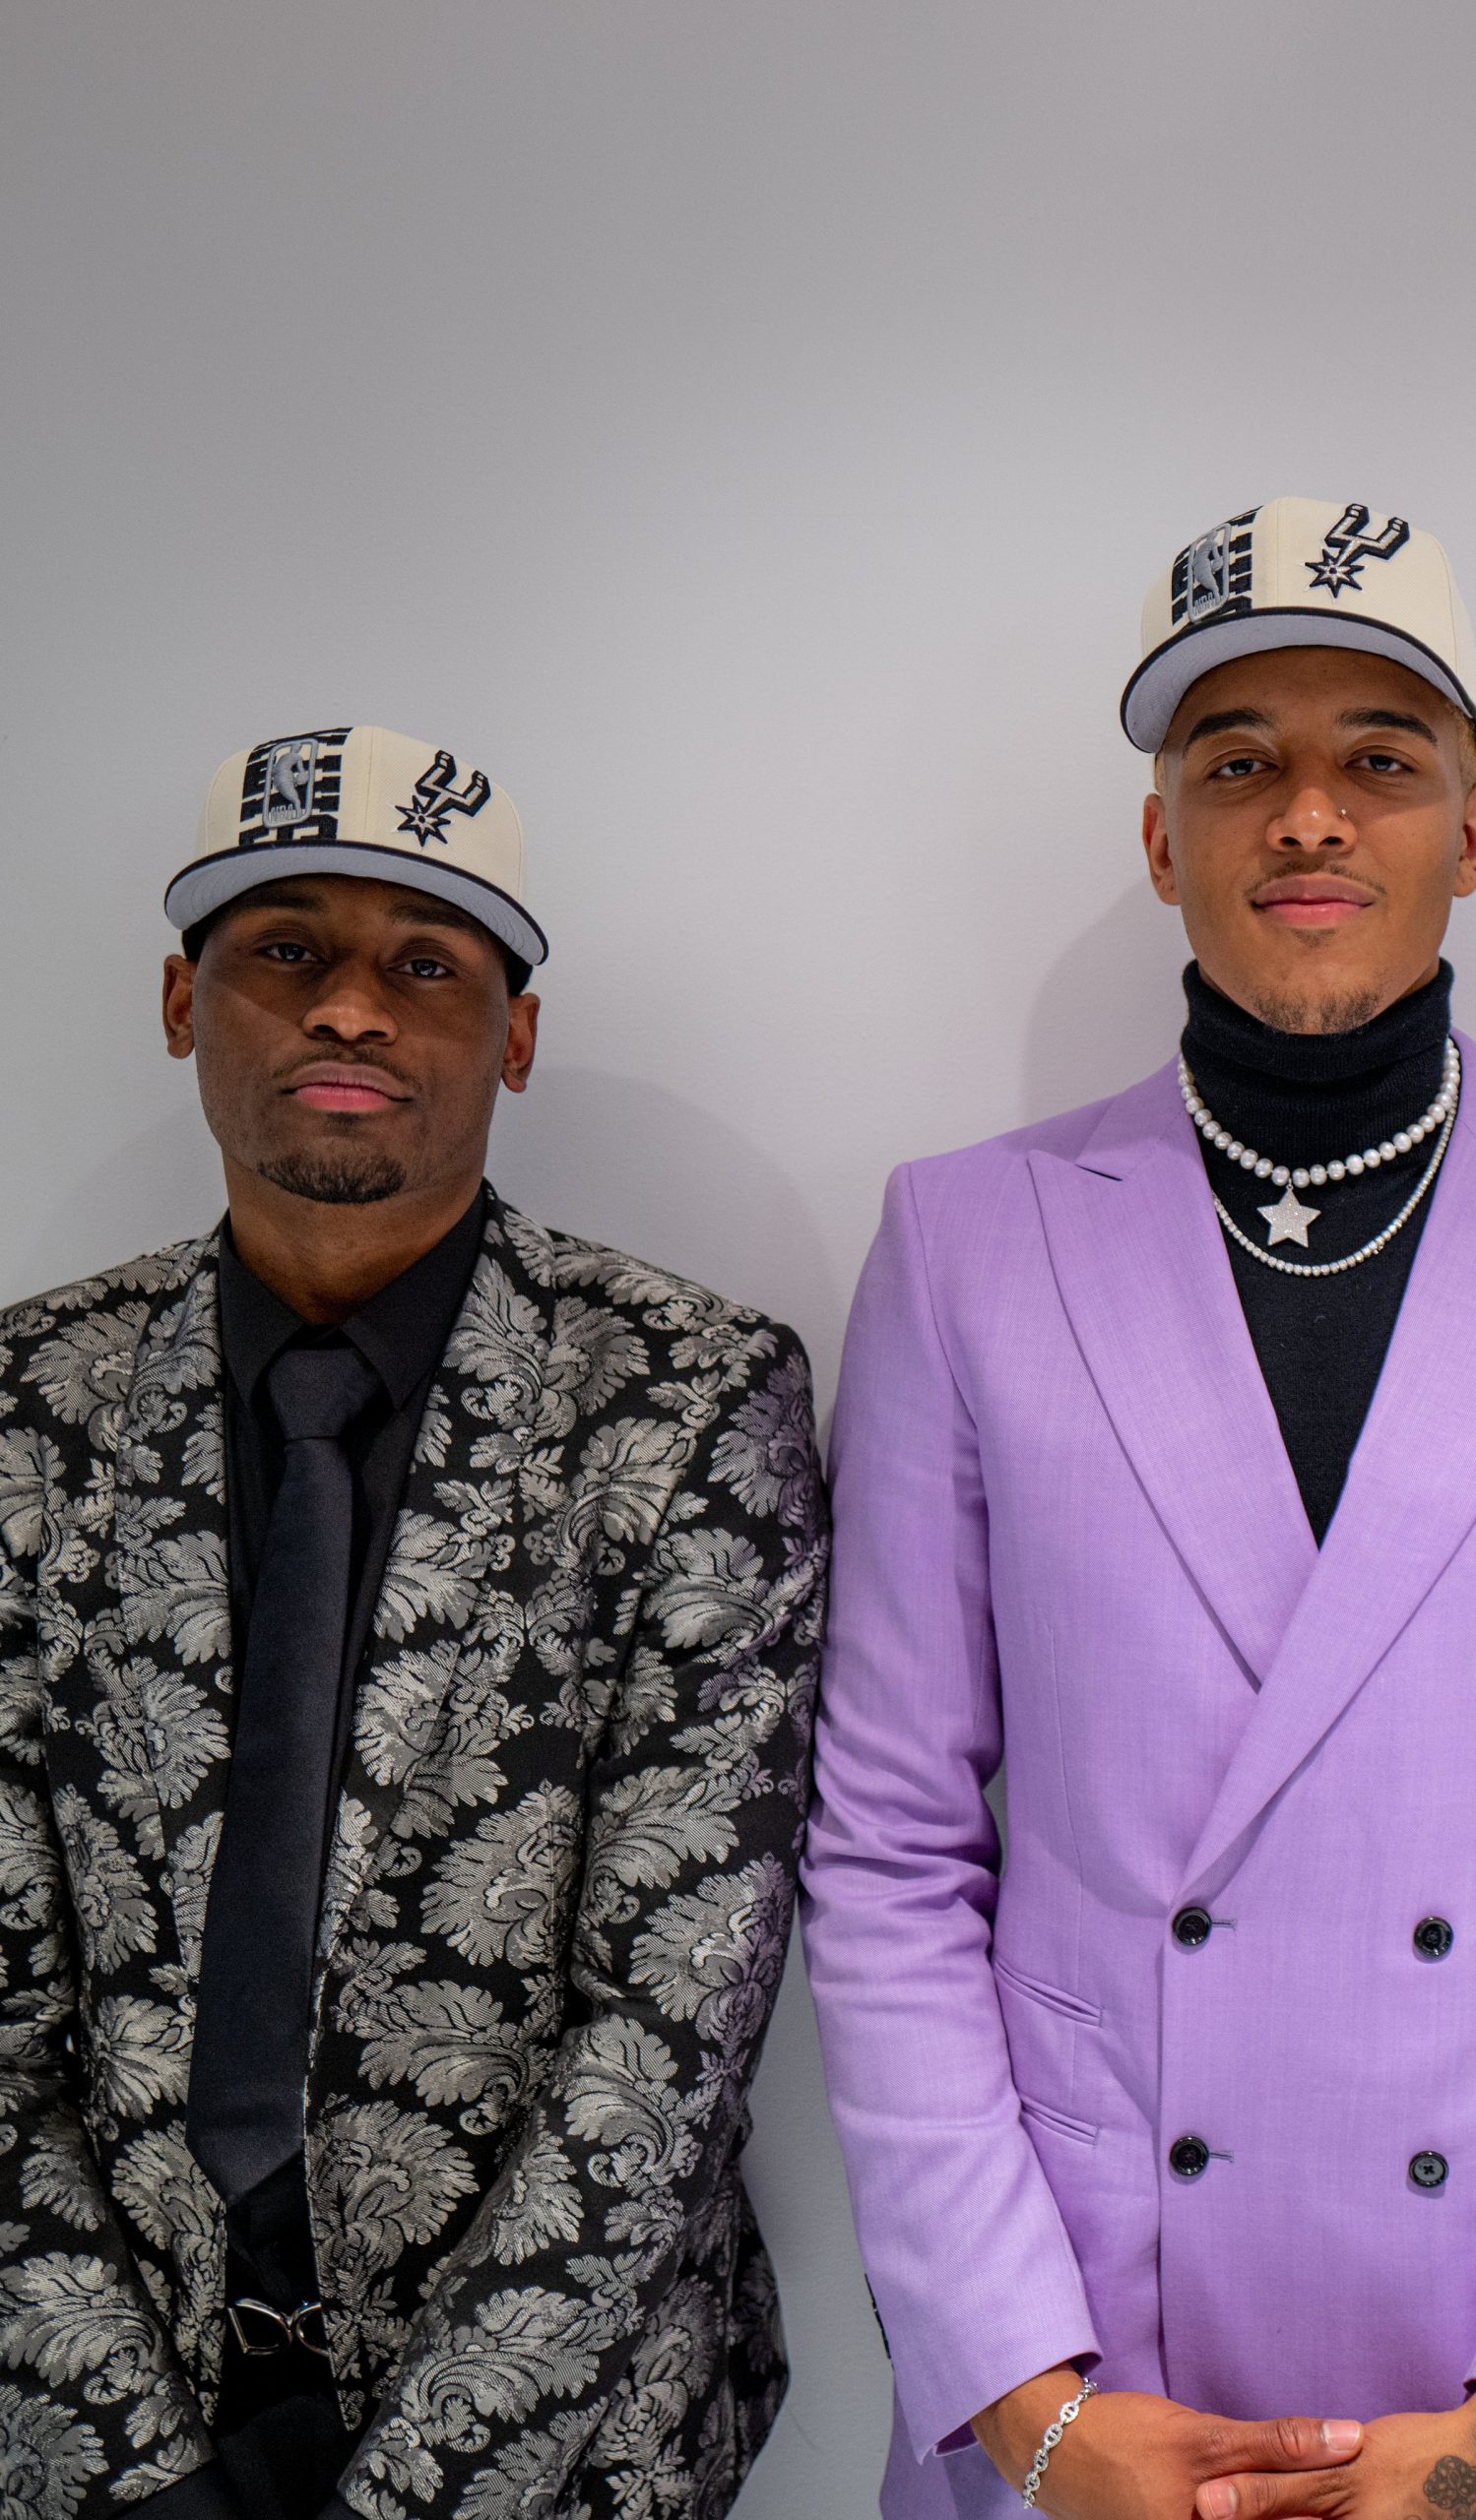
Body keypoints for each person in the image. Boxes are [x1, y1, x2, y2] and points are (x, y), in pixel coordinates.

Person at [800, 495, 1476, 2520]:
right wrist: (1018, 2391)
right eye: (1237, 761)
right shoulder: (967, 1238)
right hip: (1093, 2356)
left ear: (1470, 825)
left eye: (1380, 757)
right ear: (1159, 835)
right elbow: (890, 1847)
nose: (1307, 816)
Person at [0, 726, 829, 2520]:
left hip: (562, 2447)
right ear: (182, 1001)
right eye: (285, 948)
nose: (349, 1009)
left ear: (514, 1035)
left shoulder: (686, 1400)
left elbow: (664, 2048)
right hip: (113, 2415)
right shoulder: (28, 1404)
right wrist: (129, 2472)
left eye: (425, 964)